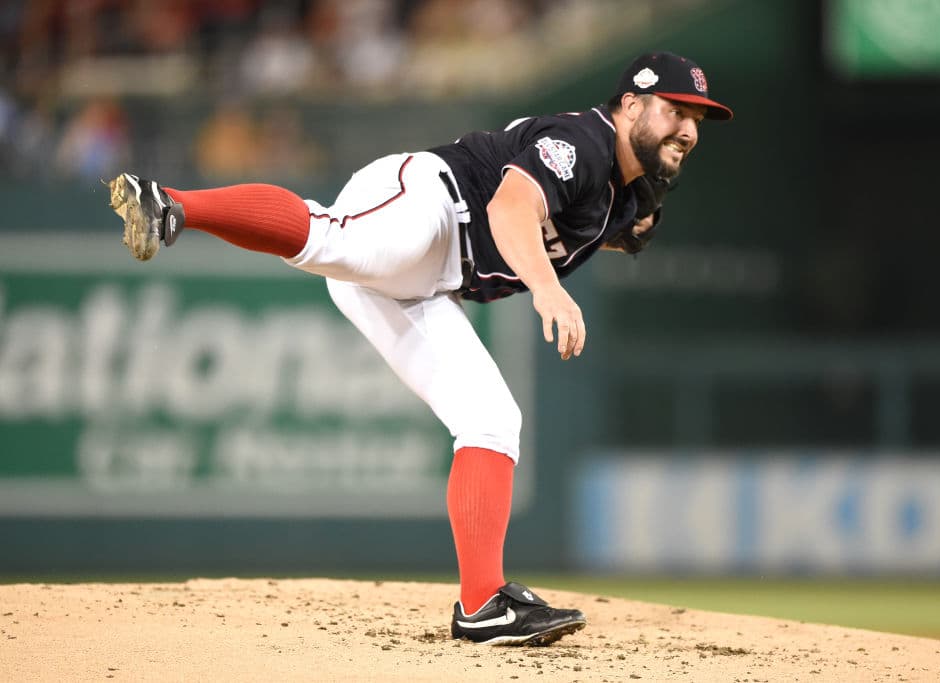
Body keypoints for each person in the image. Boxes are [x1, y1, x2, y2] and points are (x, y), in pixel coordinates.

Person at [107, 51, 732, 646]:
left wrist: (627, 222)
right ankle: (172, 204)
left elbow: (594, 219)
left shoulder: (609, 196)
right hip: (432, 201)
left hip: (430, 283)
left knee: (491, 421)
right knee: (336, 242)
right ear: (628, 104)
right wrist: (549, 291)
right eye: (674, 110)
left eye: (696, 119)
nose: (688, 127)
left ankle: (482, 604)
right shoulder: (583, 140)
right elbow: (513, 207)